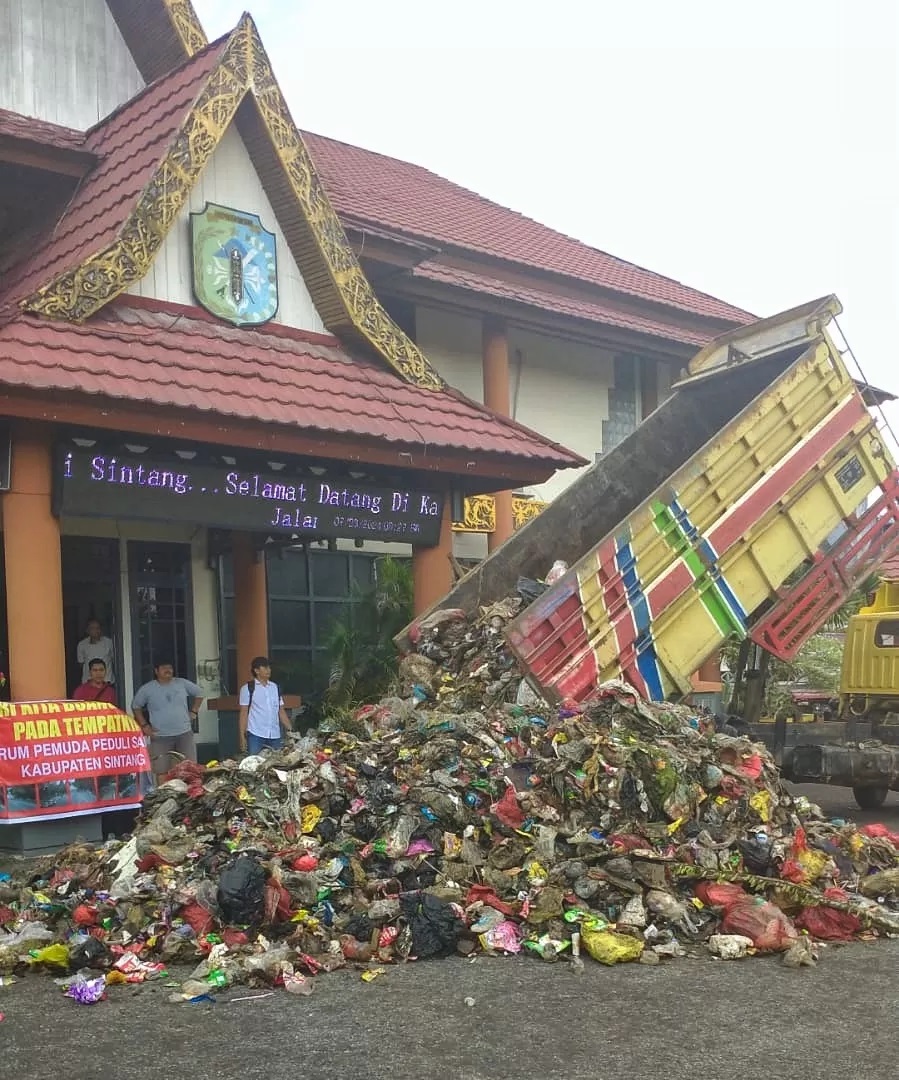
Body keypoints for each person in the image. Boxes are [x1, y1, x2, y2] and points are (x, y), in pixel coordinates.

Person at [132, 661, 204, 780]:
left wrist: (194, 711)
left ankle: (189, 796)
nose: (168, 670)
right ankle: (164, 797)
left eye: (170, 667)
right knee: (162, 771)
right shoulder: (148, 688)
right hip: (160, 736)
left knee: (190, 769)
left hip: (184, 734)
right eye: (164, 667)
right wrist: (144, 725)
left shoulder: (182, 683)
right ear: (156, 671)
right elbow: (136, 706)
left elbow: (200, 693)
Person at [238, 656, 294, 754]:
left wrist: (290, 730)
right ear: (256, 670)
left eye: (269, 667)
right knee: (255, 764)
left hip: (275, 734)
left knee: (278, 763)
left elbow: (281, 711)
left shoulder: (275, 688)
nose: (269, 670)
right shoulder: (248, 688)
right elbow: (243, 713)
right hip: (256, 734)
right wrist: (242, 736)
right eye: (265, 668)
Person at [77, 618, 116, 685]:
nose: (96, 630)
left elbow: (114, 660)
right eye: (92, 628)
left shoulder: (109, 642)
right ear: (87, 630)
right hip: (89, 683)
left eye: (98, 628)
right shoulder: (82, 645)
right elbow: (81, 663)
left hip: (107, 682)